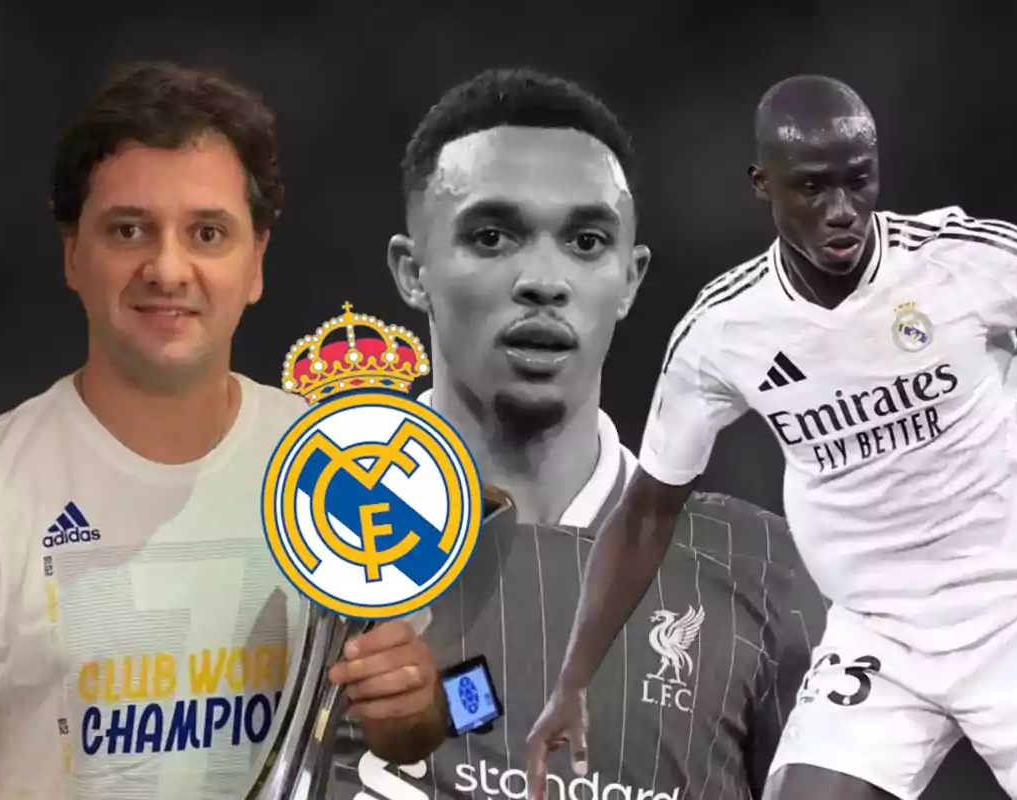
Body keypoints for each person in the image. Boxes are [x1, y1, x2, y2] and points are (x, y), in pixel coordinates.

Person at [525, 72, 1017, 800]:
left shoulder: (962, 259)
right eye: (812, 189)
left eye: (859, 182)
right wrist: (572, 683)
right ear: (762, 184)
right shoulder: (724, 332)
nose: (842, 211)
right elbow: (649, 509)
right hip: (883, 633)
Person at [0, 62, 448, 800]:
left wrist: (413, 703)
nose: (168, 268)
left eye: (207, 232)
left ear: (256, 262)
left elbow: (425, 724)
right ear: (73, 254)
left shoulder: (335, 463)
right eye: (129, 229)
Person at [321, 67, 826, 800]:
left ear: (629, 278)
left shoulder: (767, 572)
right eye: (493, 235)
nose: (544, 279)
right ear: (412, 271)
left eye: (586, 241)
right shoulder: (304, 549)